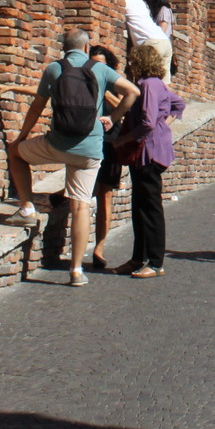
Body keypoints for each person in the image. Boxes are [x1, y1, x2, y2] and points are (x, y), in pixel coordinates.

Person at [10, 29, 139, 286]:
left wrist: (21, 137)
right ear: (86, 46)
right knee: (80, 206)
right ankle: (77, 271)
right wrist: (111, 119)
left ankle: (26, 207)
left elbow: (37, 106)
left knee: (16, 154)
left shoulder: (54, 69)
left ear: (63, 47)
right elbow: (133, 92)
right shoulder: (100, 70)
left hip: (57, 145)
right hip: (90, 151)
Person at [112, 39, 185, 278]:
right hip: (146, 151)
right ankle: (138, 258)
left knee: (150, 208)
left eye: (133, 62)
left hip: (148, 152)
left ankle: (155, 262)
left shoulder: (149, 86)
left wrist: (122, 140)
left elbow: (146, 122)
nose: (130, 66)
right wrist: (166, 123)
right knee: (139, 206)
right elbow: (178, 103)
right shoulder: (153, 84)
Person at [85, 45, 126, 270]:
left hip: (110, 141)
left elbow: (123, 105)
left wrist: (103, 87)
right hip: (87, 139)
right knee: (86, 191)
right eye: (92, 63)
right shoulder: (81, 80)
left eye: (101, 65)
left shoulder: (114, 83)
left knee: (105, 195)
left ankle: (99, 247)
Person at [123, 0, 174, 72]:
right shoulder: (149, 10)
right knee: (163, 81)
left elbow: (163, 29)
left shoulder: (163, 10)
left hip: (154, 43)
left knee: (148, 75)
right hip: (165, 44)